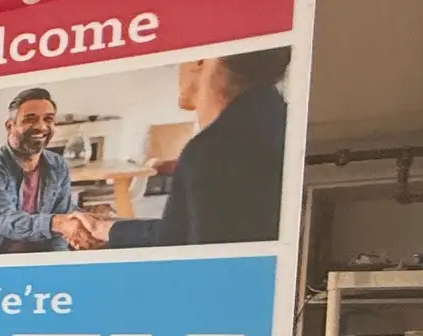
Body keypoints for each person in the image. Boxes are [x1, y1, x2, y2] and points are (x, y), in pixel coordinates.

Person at [108, 47, 291, 248]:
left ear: (199, 60)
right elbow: (179, 233)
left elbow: (204, 266)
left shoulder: (220, 147)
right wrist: (108, 231)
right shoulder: (269, 119)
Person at [0, 87, 106, 255]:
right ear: (10, 126)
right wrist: (59, 223)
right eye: (30, 119)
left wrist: (60, 263)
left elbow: (60, 226)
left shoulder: (57, 164)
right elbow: (4, 220)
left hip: (35, 261)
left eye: (48, 119)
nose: (41, 126)